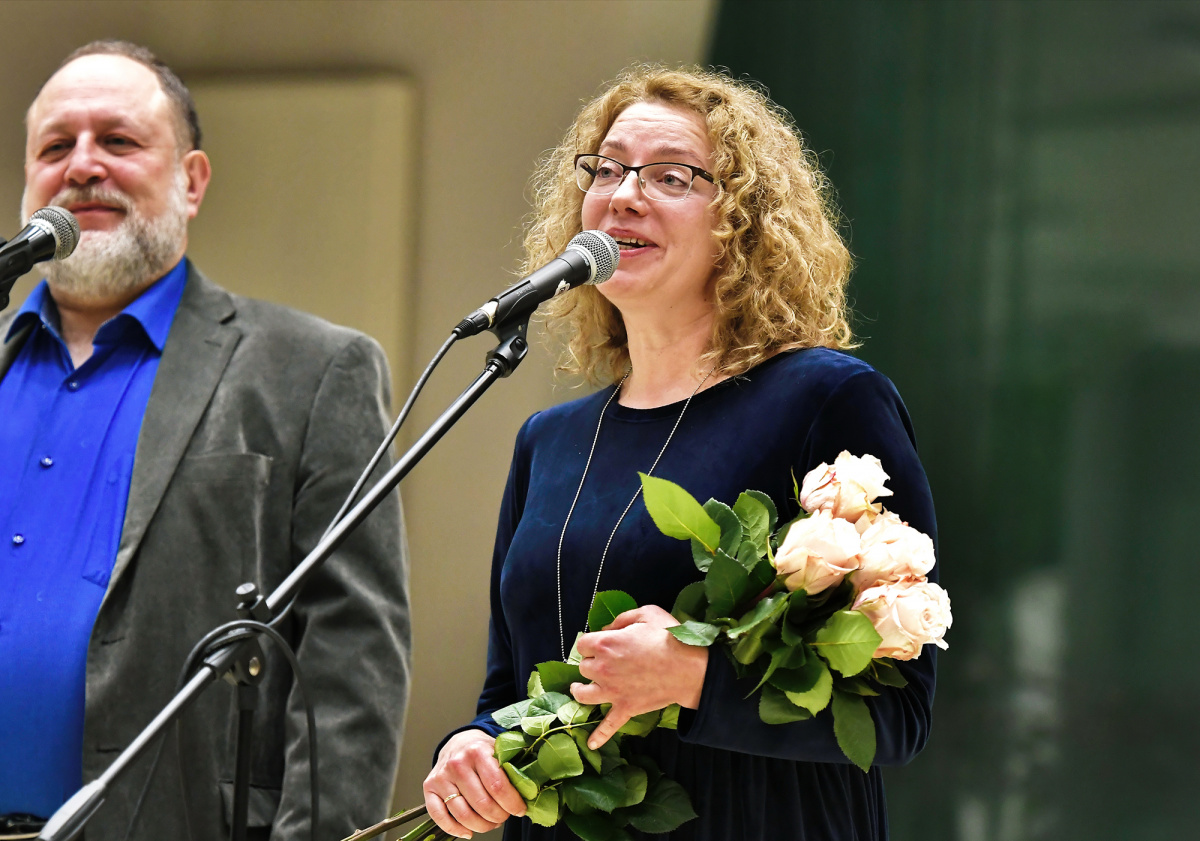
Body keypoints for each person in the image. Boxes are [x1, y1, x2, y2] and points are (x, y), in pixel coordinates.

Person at [423, 65, 938, 840]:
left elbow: (899, 711)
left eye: (670, 176)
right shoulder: (549, 441)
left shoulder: (826, 400)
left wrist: (696, 676)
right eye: (607, 169)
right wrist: (473, 747)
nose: (625, 194)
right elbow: (508, 690)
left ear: (744, 221)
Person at [0, 41, 410, 841]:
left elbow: (353, 658)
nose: (82, 166)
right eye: (54, 147)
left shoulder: (312, 371)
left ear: (191, 181)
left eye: (117, 140)